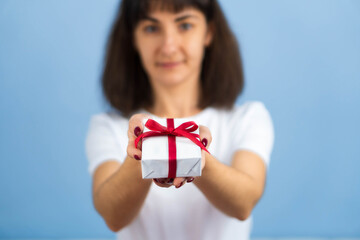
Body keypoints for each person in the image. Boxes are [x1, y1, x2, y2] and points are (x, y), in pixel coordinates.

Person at [85, 0, 274, 239]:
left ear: (209, 32)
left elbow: (244, 203)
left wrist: (199, 158)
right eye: (151, 28)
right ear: (133, 38)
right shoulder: (108, 126)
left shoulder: (248, 117)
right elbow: (112, 215)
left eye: (185, 25)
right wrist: (141, 151)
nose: (169, 46)